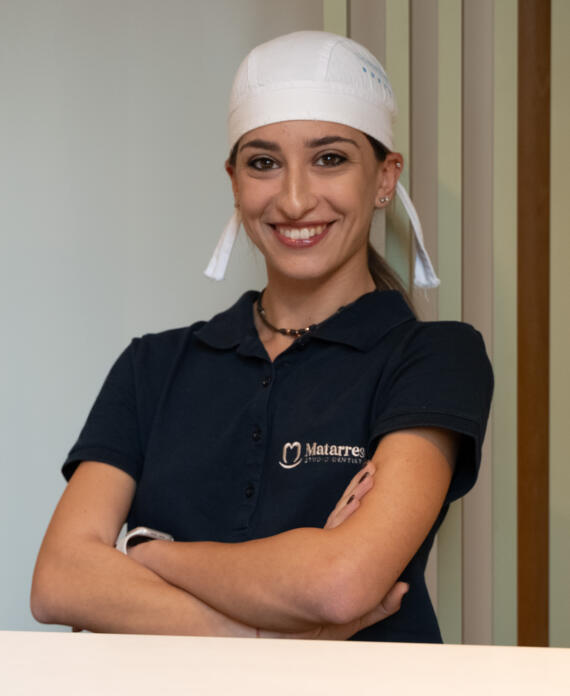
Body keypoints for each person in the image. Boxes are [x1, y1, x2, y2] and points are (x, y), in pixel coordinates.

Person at [31, 31, 493, 643]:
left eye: (330, 159)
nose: (295, 200)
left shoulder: (435, 359)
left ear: (385, 177)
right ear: (234, 180)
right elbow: (59, 581)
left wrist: (149, 553)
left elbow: (341, 583)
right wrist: (273, 639)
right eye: (264, 163)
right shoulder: (154, 366)